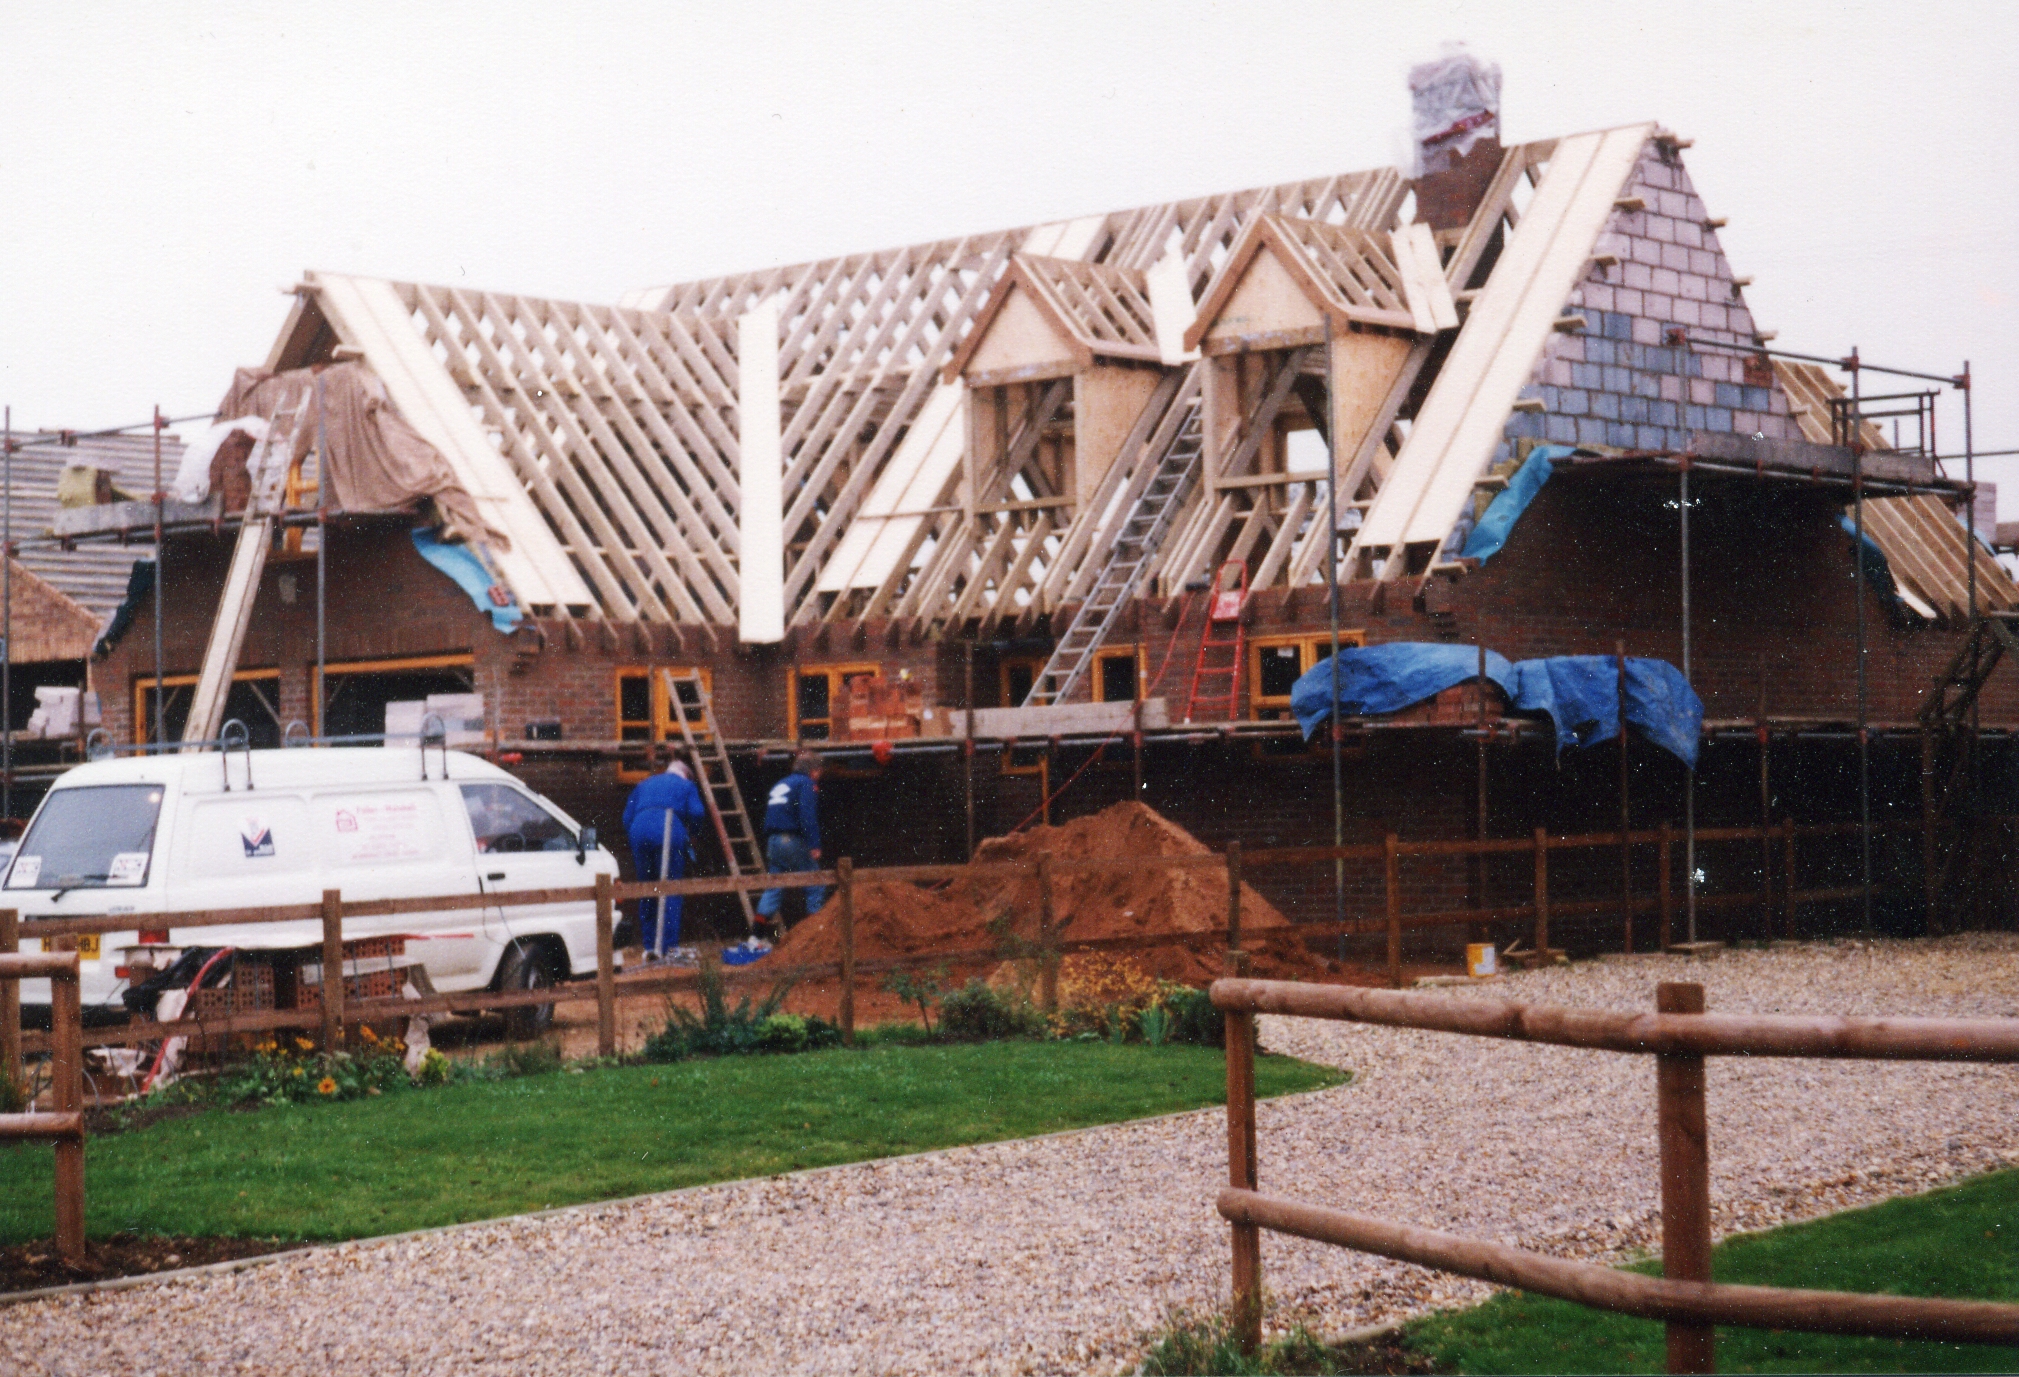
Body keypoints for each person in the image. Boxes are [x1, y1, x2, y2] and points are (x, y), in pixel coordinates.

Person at [622, 758, 707, 955]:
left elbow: (626, 818)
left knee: (647, 888)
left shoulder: (643, 784)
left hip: (639, 830)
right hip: (668, 827)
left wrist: (638, 834)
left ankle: (650, 947)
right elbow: (697, 813)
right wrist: (693, 835)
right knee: (670, 887)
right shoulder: (687, 785)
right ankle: (669, 948)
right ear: (686, 775)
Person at [756, 752, 826, 931]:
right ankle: (815, 932)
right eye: (819, 772)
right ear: (813, 770)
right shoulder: (806, 783)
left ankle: (756, 936)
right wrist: (814, 844)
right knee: (816, 882)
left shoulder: (782, 783)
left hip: (773, 841)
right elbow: (807, 816)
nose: (819, 776)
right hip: (790, 840)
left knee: (774, 888)